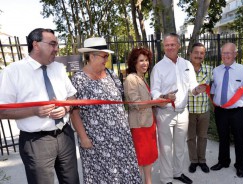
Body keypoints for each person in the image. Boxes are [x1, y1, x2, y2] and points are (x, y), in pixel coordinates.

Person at [0, 28, 80, 184]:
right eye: (52, 44)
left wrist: (65, 108)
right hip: (36, 142)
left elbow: (72, 96)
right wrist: (34, 111)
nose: (56, 49)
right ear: (36, 45)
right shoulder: (12, 72)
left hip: (65, 135)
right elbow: (2, 110)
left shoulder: (58, 68)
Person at [70, 37, 142, 184]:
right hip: (96, 140)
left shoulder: (110, 74)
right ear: (91, 56)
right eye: (104, 56)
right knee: (102, 176)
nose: (106, 59)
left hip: (120, 136)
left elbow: (122, 99)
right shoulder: (78, 79)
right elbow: (74, 111)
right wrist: (83, 137)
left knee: (126, 173)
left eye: (107, 56)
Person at [150, 33, 206, 184]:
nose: (169, 47)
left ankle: (177, 173)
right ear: (164, 47)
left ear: (179, 45)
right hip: (165, 112)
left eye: (172, 44)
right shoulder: (158, 68)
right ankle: (166, 178)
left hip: (182, 112)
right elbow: (154, 91)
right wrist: (164, 96)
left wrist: (197, 90)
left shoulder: (186, 65)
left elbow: (192, 86)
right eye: (167, 45)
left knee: (180, 147)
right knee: (166, 148)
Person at [210, 42, 243, 178]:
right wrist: (214, 104)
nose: (226, 55)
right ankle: (223, 161)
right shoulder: (216, 71)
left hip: (238, 111)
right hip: (221, 111)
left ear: (235, 54)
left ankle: (240, 166)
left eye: (229, 52)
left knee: (239, 139)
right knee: (222, 137)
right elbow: (213, 90)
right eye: (223, 53)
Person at [124, 48, 165, 184]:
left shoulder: (141, 78)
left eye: (146, 60)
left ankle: (148, 181)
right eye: (141, 60)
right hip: (139, 125)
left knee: (148, 157)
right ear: (134, 63)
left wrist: (163, 98)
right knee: (140, 158)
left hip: (148, 123)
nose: (145, 63)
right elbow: (135, 104)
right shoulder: (131, 78)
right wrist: (156, 101)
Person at [187, 43, 213, 174]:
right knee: (191, 137)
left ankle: (202, 161)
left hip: (204, 110)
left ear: (204, 55)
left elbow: (214, 86)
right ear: (190, 54)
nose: (198, 55)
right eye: (196, 52)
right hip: (189, 111)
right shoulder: (184, 70)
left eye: (201, 53)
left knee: (202, 137)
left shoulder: (209, 69)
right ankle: (193, 161)